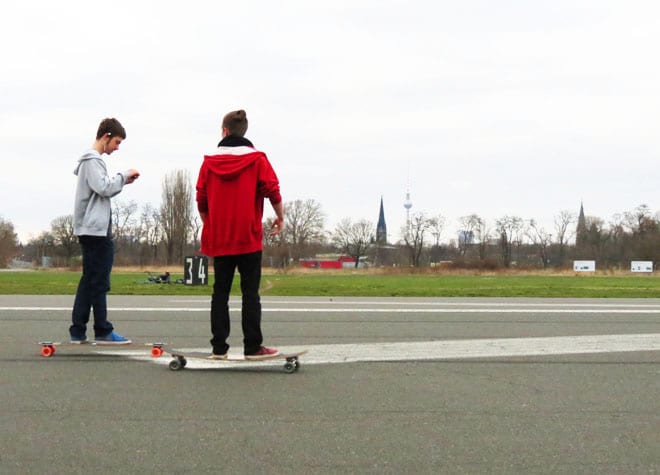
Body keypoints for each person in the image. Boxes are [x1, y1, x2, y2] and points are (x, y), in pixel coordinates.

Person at [196, 109, 284, 360]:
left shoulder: (209, 162)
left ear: (224, 131)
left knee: (220, 293)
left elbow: (201, 198)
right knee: (250, 294)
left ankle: (219, 347)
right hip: (248, 236)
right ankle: (253, 346)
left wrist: (210, 223)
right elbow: (273, 190)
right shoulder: (257, 159)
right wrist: (280, 216)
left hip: (220, 237)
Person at [70, 118, 139, 344]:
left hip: (91, 229)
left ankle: (78, 330)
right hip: (95, 230)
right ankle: (102, 330)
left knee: (89, 280)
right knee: (99, 281)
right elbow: (104, 187)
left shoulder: (91, 162)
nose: (117, 147)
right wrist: (124, 176)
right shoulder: (93, 160)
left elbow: (100, 189)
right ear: (106, 136)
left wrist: (121, 182)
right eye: (117, 142)